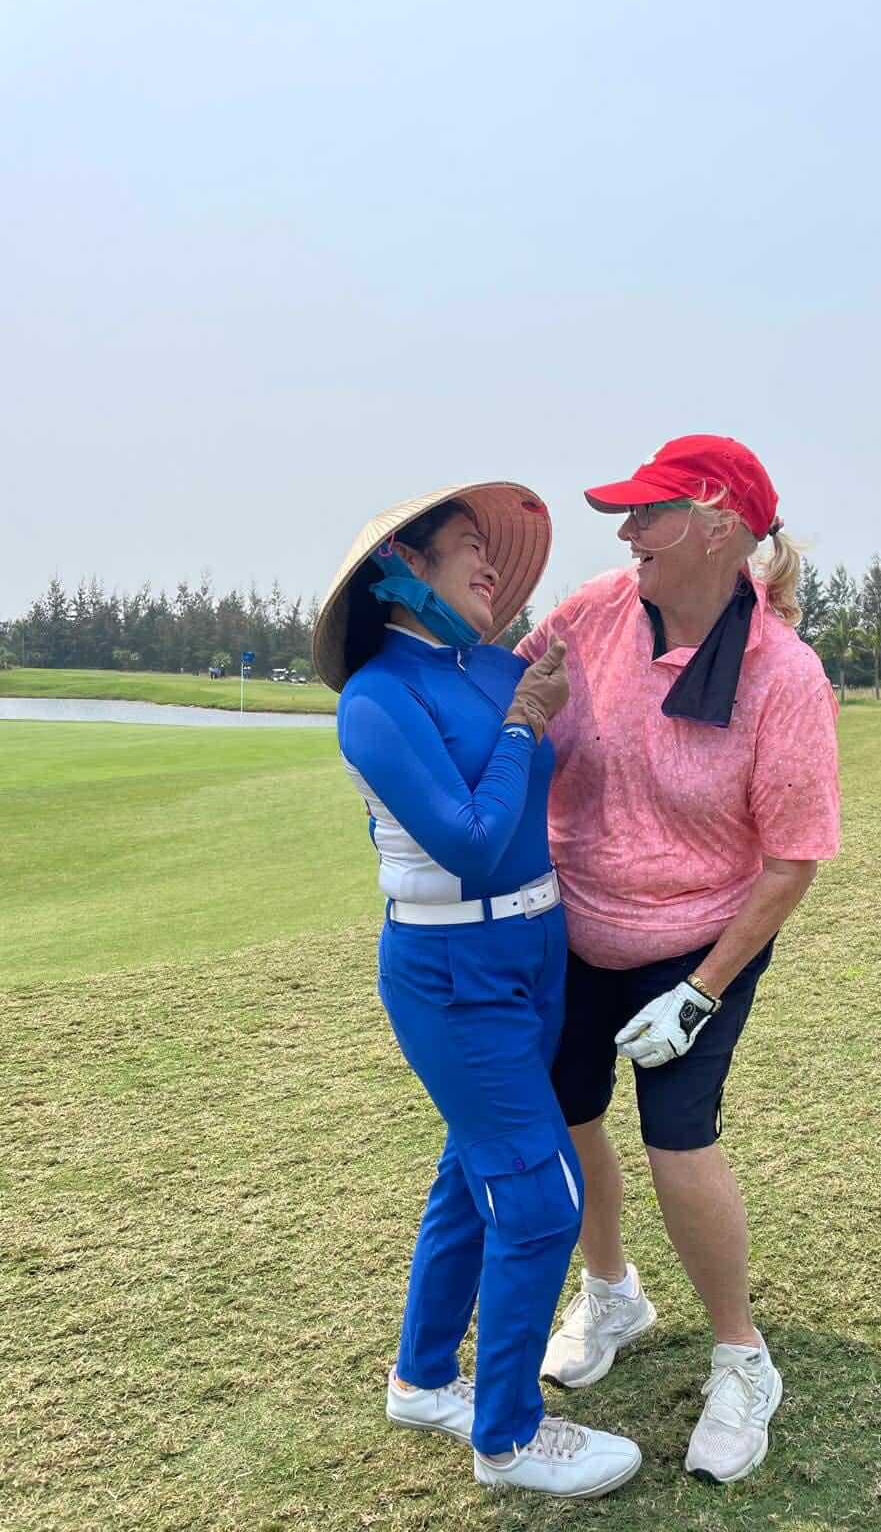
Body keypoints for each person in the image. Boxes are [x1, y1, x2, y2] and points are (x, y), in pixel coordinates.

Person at [517, 436, 841, 1485]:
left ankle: (743, 1358)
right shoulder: (593, 614)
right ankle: (613, 1292)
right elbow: (509, 700)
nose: (626, 533)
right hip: (571, 925)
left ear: (716, 526)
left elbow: (791, 861)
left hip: (701, 939)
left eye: (648, 513)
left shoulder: (782, 675)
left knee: (677, 1136)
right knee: (569, 1115)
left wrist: (699, 995)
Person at [312, 482, 642, 1500]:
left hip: (536, 953)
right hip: (450, 971)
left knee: (474, 1169)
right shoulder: (376, 699)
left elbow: (589, 725)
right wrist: (522, 727)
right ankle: (507, 1437)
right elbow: (468, 839)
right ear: (401, 569)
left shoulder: (501, 668)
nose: (491, 563)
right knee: (540, 1198)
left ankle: (422, 1380)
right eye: (467, 545)